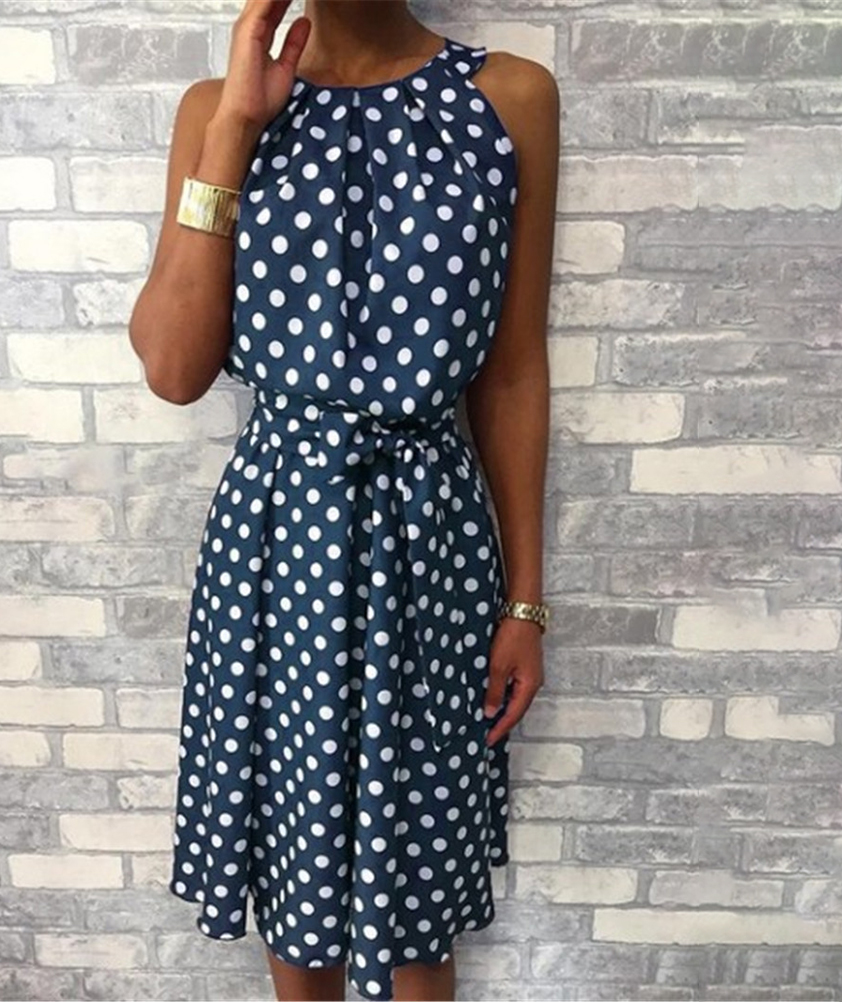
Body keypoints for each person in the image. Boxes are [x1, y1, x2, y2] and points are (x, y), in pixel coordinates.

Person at [128, 0, 559, 998]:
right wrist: (237, 127)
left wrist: (525, 603)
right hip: (277, 545)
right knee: (297, 879)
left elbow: (511, 372)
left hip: (430, 543)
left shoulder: (510, 99)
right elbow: (174, 368)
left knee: (416, 905)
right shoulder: (215, 111)